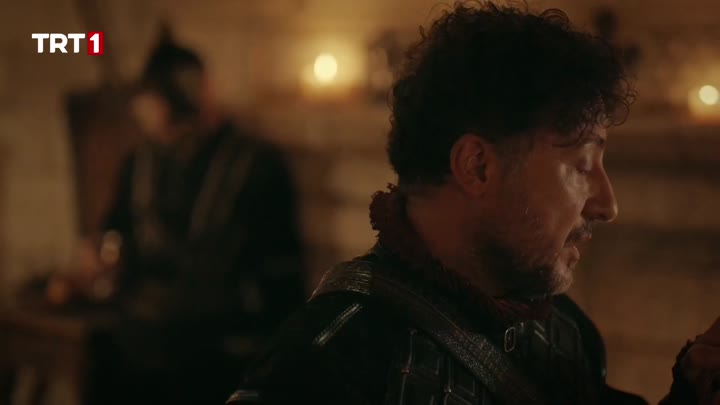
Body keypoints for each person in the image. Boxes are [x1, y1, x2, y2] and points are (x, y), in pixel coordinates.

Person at [226, 2, 720, 405]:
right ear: (478, 166)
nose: (607, 205)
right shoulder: (325, 370)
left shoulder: (565, 331)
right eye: (581, 165)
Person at [79, 28, 306, 405]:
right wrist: (100, 256)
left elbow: (282, 273)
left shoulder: (255, 166)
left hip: (219, 340)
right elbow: (114, 231)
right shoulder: (141, 162)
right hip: (144, 328)